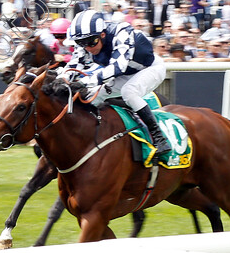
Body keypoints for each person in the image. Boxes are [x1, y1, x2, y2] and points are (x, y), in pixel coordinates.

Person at [60, 9, 171, 156]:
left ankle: (158, 137)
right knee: (92, 97)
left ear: (103, 34)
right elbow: (74, 66)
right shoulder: (87, 42)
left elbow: (118, 67)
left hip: (150, 68)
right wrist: (62, 80)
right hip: (126, 72)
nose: (87, 48)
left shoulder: (122, 32)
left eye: (91, 42)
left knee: (129, 92)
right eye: (81, 43)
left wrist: (85, 82)